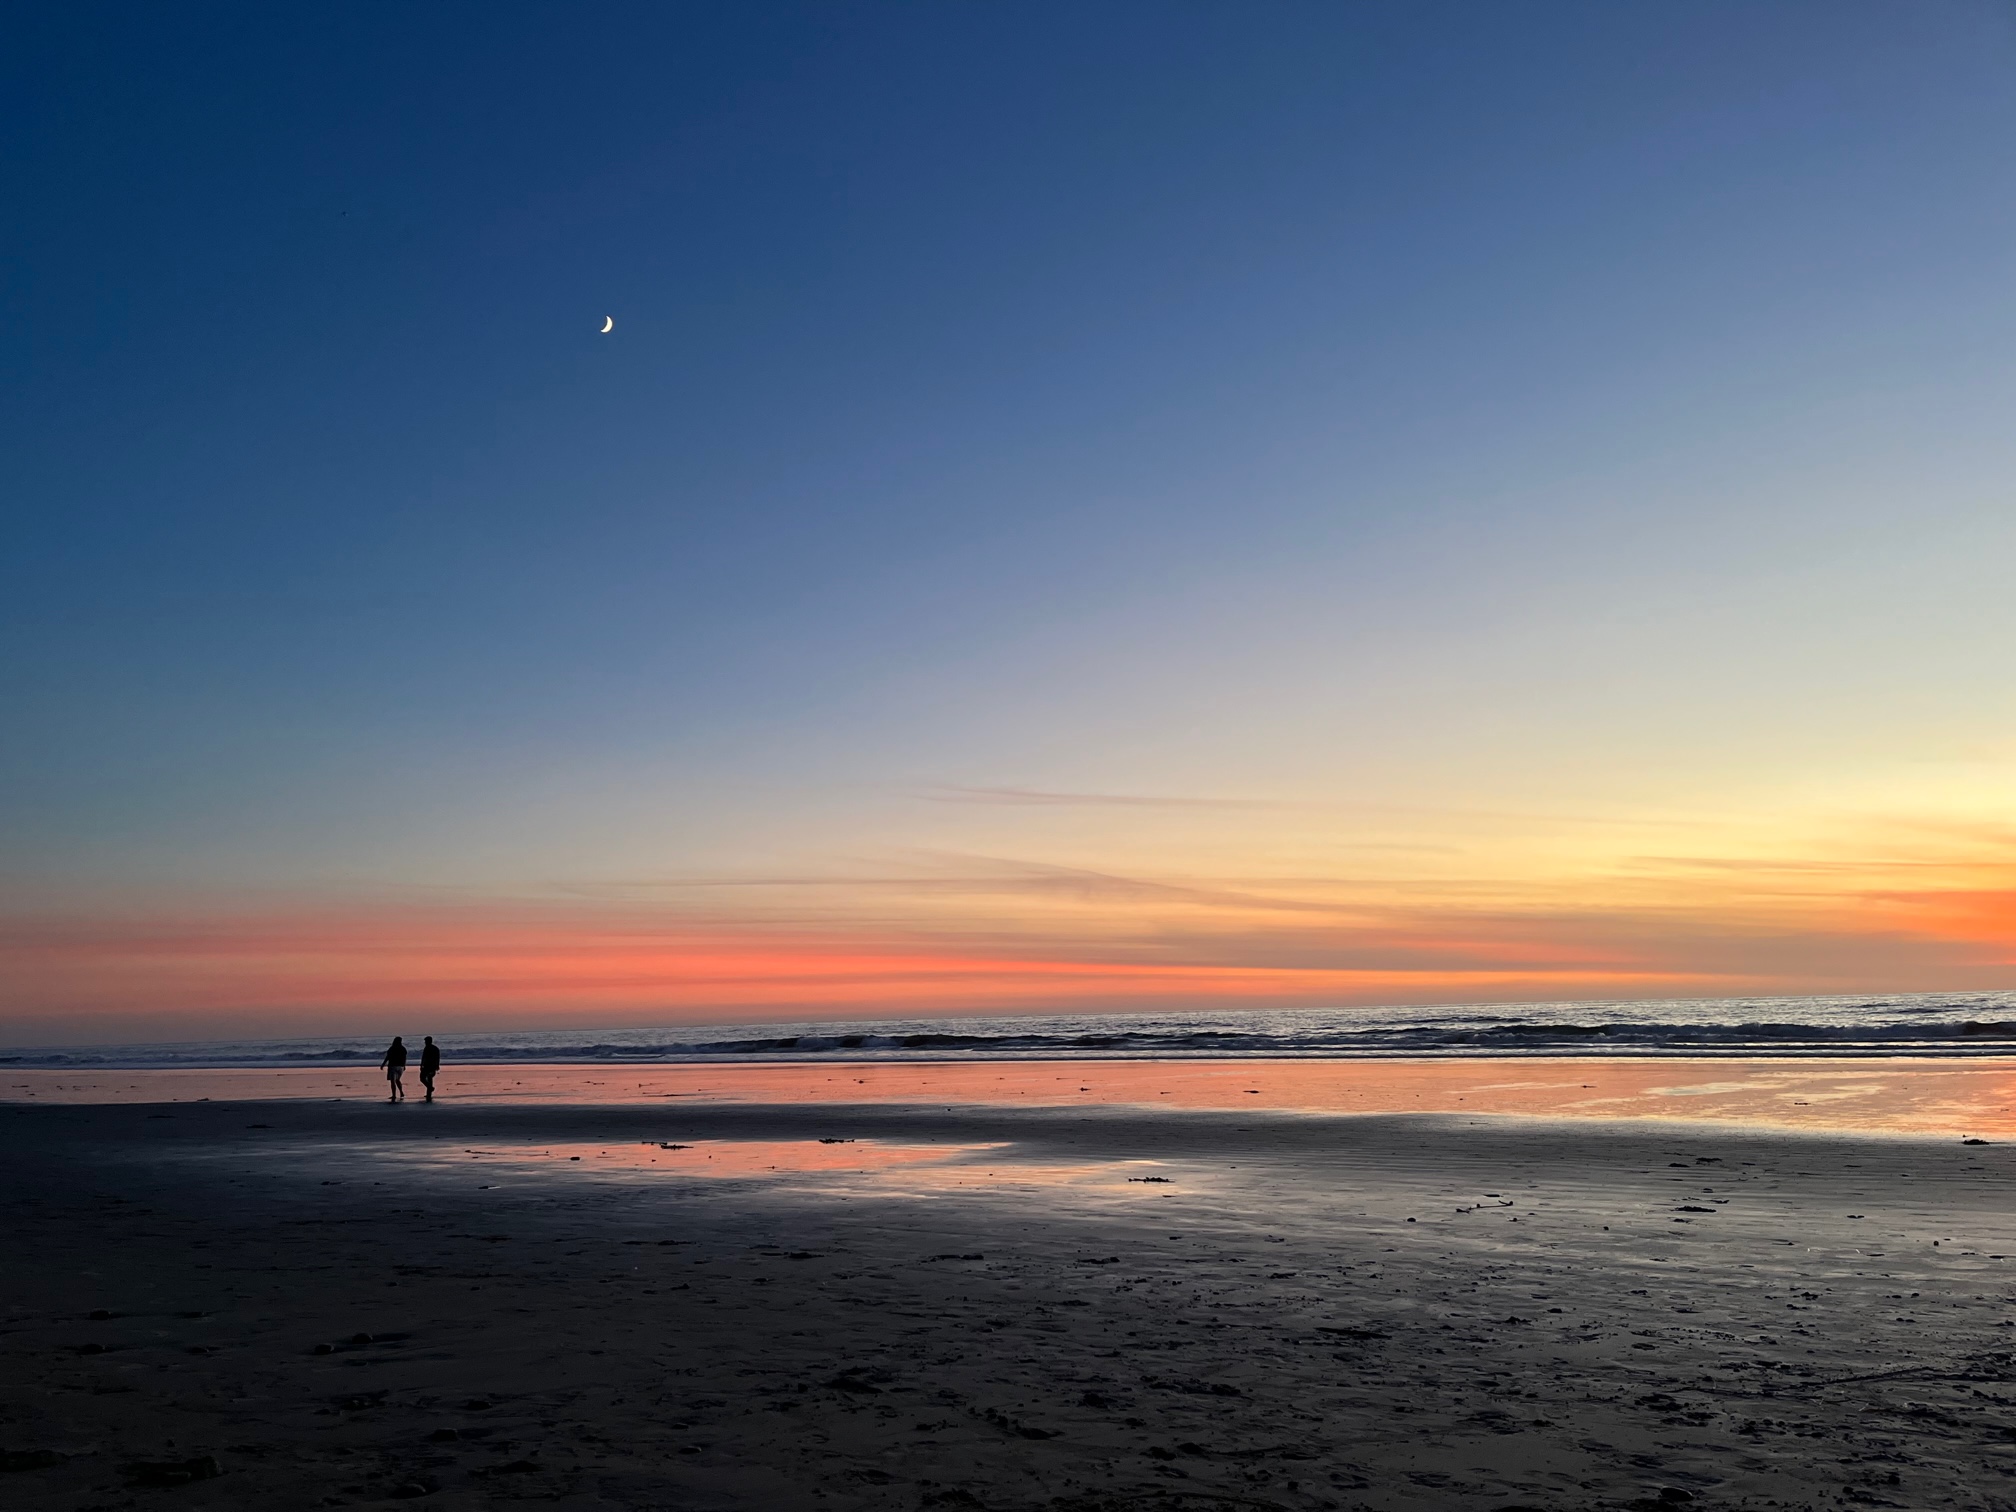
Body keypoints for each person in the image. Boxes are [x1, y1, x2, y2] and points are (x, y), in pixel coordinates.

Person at [380, 1036, 408, 1101]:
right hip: (400, 1066)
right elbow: (404, 1058)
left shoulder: (392, 1048)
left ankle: (394, 1095)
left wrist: (383, 1064)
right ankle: (401, 1092)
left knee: (393, 1081)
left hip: (393, 1066)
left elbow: (388, 1057)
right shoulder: (403, 1048)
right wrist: (404, 1065)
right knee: (397, 1080)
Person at [418, 1035, 441, 1101]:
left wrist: (421, 1065)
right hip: (433, 1066)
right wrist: (437, 1065)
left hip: (427, 1066)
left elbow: (424, 1057)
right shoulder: (435, 1048)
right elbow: (438, 1057)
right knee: (430, 1079)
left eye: (425, 1041)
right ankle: (429, 1093)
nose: (425, 1042)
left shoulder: (427, 1048)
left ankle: (430, 1089)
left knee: (422, 1078)